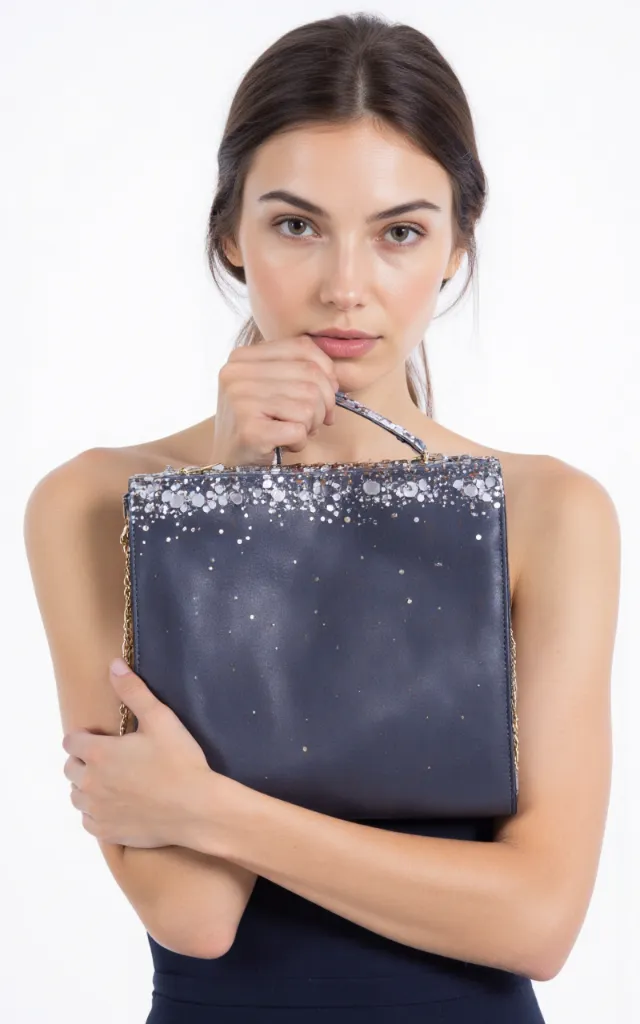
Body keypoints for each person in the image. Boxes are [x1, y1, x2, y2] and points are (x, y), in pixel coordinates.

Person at [23, 12, 620, 1023]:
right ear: (230, 231)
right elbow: (194, 908)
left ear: (454, 247)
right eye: (296, 224)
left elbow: (539, 919)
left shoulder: (548, 514)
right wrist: (234, 503)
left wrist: (207, 806)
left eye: (399, 231)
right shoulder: (95, 505)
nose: (346, 289)